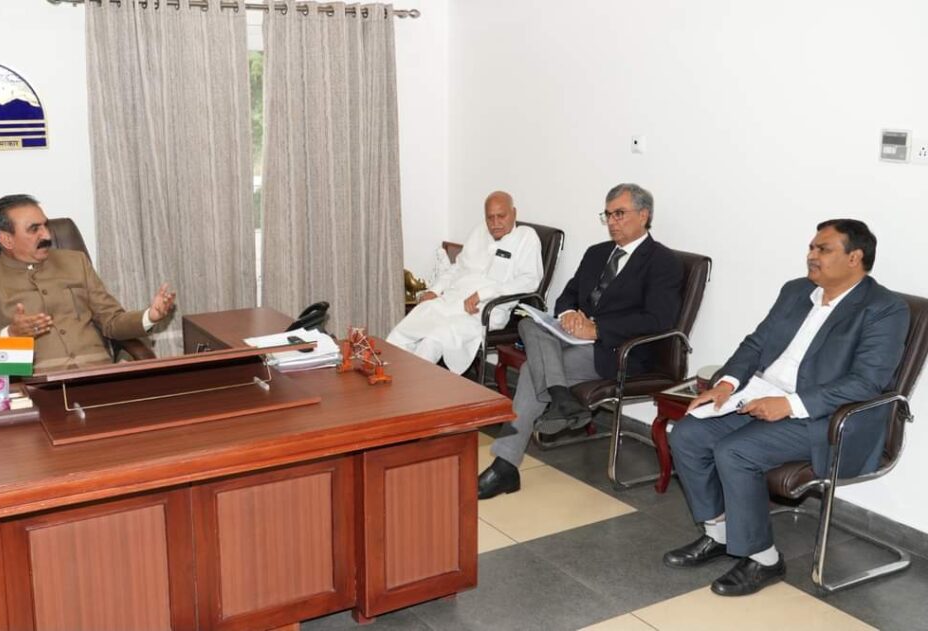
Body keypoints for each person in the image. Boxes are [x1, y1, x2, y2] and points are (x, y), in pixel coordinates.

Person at [663, 219, 908, 597]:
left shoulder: (884, 309)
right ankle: (720, 533)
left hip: (827, 418)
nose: (812, 255)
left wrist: (790, 404)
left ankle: (764, 558)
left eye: (823, 249)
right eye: (811, 247)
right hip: (761, 394)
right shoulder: (797, 291)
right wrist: (726, 385)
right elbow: (756, 344)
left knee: (735, 451)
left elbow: (867, 382)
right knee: (688, 434)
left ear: (854, 258)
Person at [478, 183, 683, 499]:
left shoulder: (662, 262)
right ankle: (561, 398)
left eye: (619, 214)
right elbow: (568, 295)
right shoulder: (597, 253)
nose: (612, 221)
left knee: (533, 370)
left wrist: (597, 329)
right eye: (608, 214)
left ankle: (506, 464)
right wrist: (569, 314)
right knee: (529, 324)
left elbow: (658, 320)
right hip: (571, 336)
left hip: (616, 349)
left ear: (644, 215)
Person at [0, 194, 177, 373]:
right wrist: (12, 335)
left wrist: (150, 316)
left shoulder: (75, 262)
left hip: (97, 375)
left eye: (46, 225)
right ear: (6, 239)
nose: (46, 235)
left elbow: (111, 321)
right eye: (34, 229)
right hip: (37, 386)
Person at [387, 191, 543, 375]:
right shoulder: (479, 232)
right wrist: (435, 290)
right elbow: (458, 267)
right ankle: (387, 373)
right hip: (451, 300)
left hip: (481, 311)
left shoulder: (526, 237)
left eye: (501, 216)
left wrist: (482, 294)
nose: (495, 223)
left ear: (514, 213)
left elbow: (529, 281)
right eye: (490, 217)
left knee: (433, 339)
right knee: (409, 325)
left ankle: (413, 385)